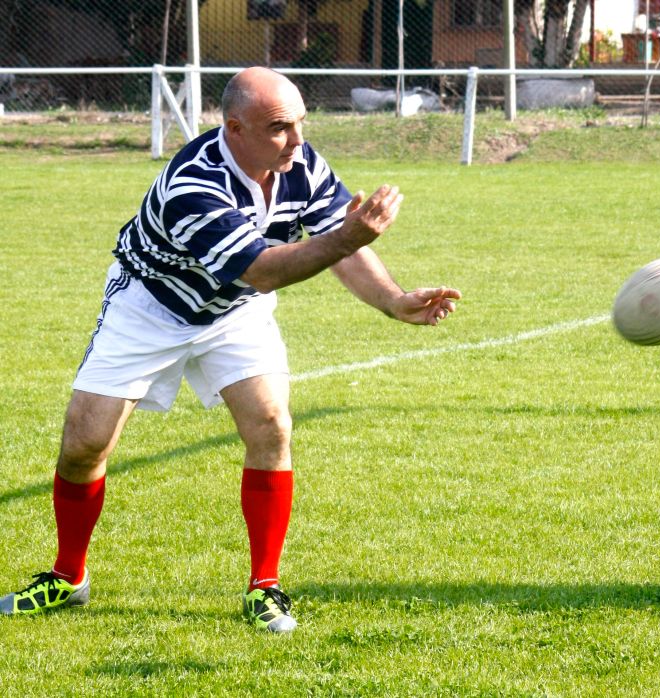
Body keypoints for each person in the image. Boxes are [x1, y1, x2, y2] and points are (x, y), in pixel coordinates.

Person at [0, 67, 461, 633]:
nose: (296, 140)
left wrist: (392, 299)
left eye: (300, 124)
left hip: (234, 312)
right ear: (235, 128)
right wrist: (346, 236)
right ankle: (69, 576)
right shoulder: (193, 183)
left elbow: (336, 244)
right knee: (85, 444)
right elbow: (263, 269)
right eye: (279, 128)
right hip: (150, 307)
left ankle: (265, 586)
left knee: (271, 426)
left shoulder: (300, 163)